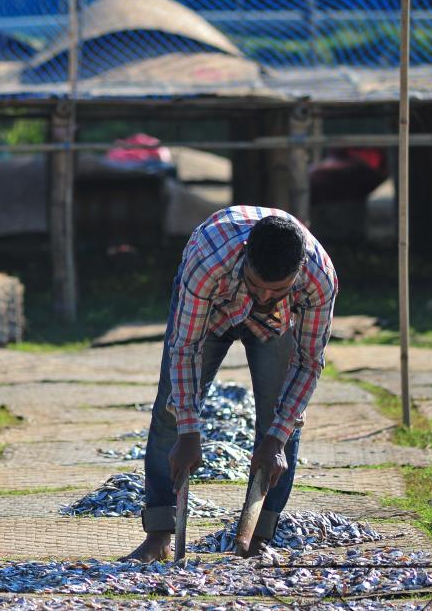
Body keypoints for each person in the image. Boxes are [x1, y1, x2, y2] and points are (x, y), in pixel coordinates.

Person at [124, 206, 338, 561]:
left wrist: (276, 437)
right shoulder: (208, 261)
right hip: (213, 309)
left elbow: (308, 363)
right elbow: (185, 349)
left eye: (278, 290)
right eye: (258, 286)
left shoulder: (319, 279)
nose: (265, 297)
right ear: (244, 261)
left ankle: (258, 537)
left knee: (279, 425)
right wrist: (189, 431)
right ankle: (160, 534)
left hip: (276, 328)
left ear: (297, 275)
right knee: (170, 414)